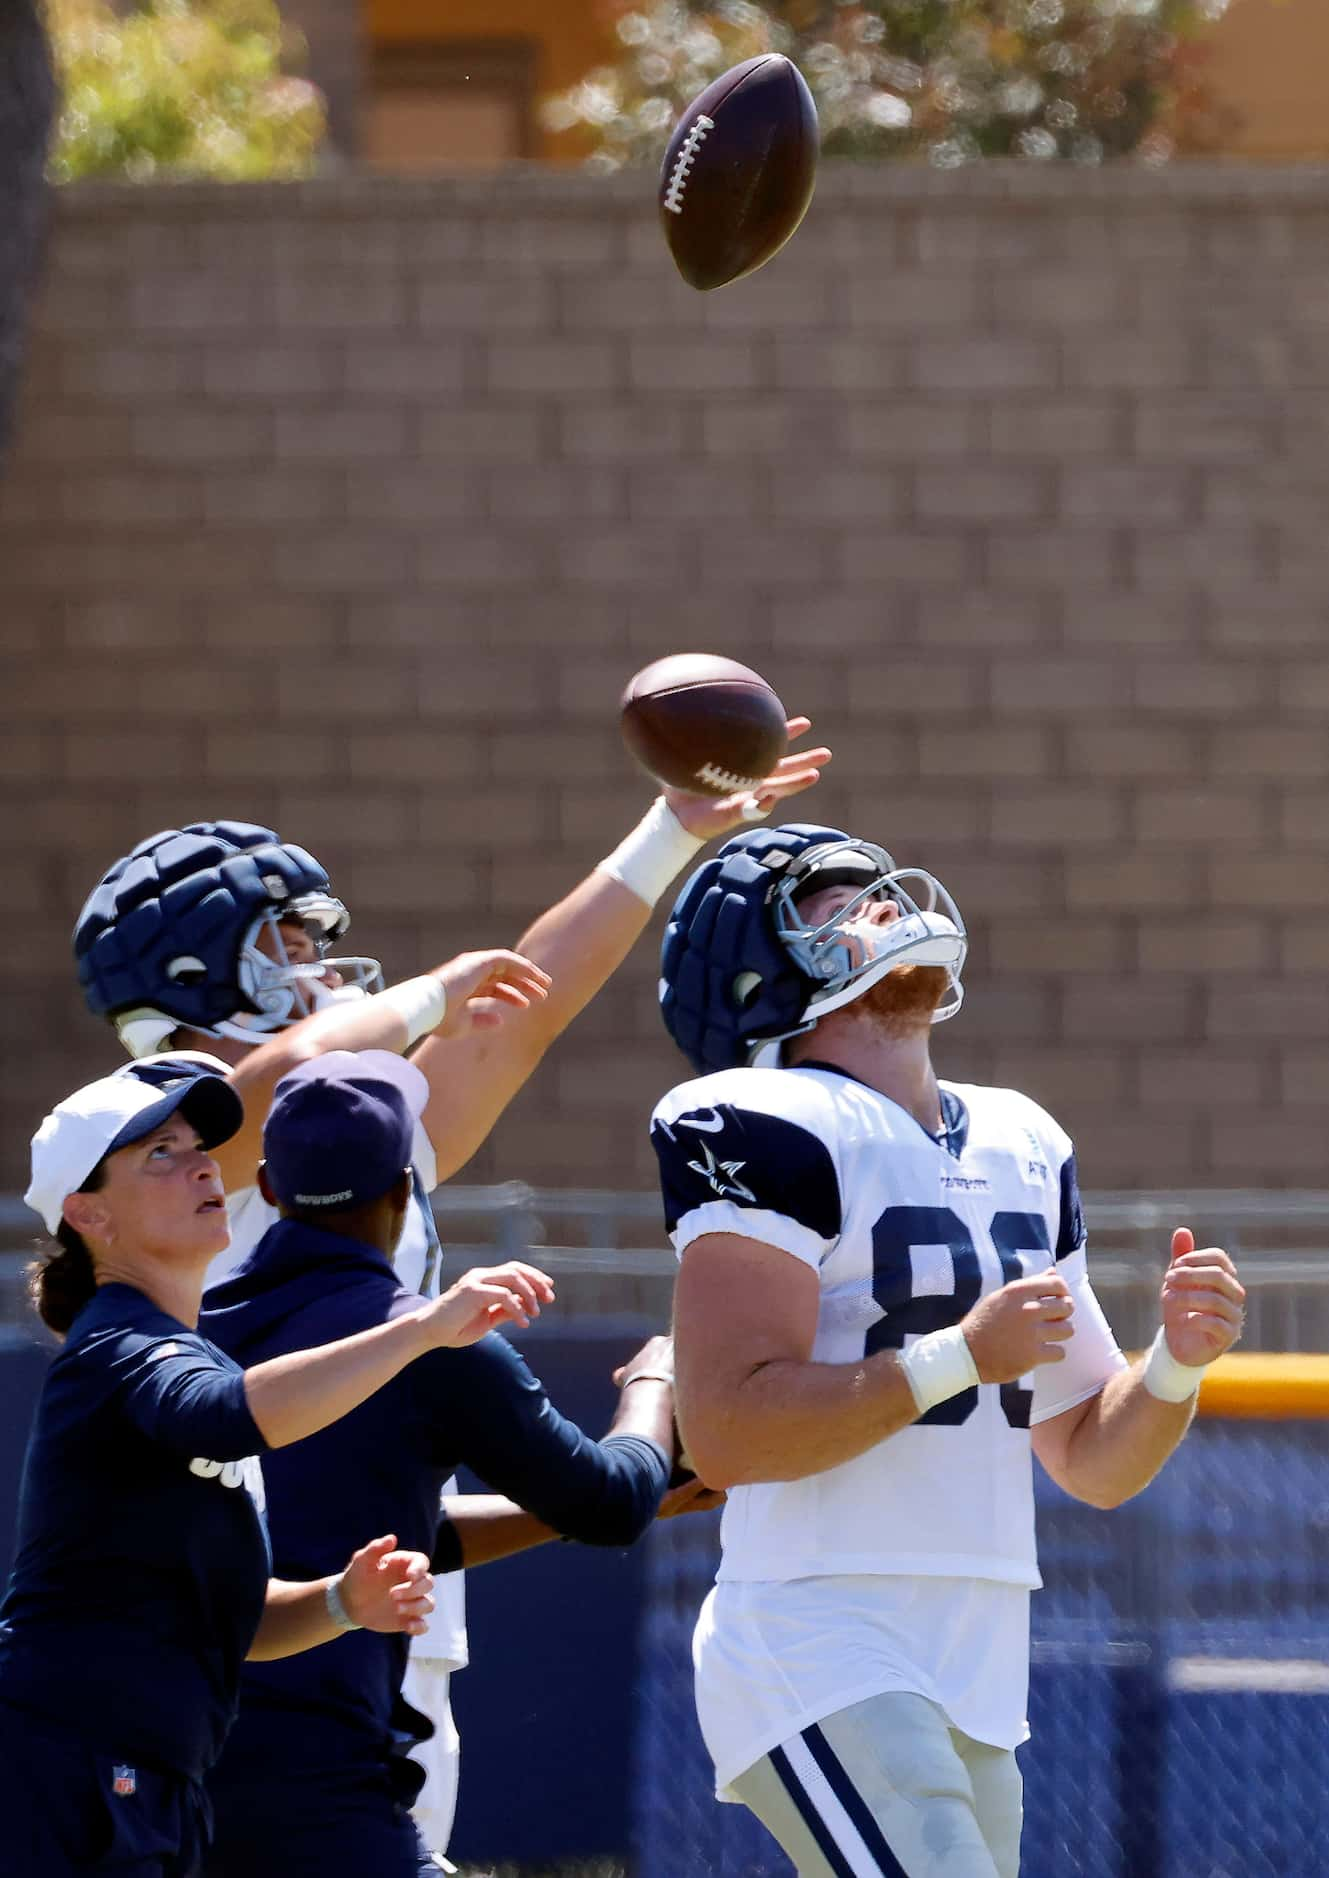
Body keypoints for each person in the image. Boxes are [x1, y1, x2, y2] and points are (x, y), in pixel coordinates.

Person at [71, 725, 828, 1856]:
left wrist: (671, 831)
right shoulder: (160, 1139)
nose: (323, 966)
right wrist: (427, 994)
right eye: (286, 942)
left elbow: (525, 1008)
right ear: (192, 979)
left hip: (360, 1613)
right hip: (231, 1627)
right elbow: (266, 1082)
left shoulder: (337, 1141)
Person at [648, 821, 1247, 1878]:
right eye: (837, 900)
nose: (886, 904)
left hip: (976, 1645)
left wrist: (1177, 1365)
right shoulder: (758, 1119)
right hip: (816, 1630)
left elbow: (1092, 1457)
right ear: (758, 970)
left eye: (881, 886)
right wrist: (960, 1357)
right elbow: (731, 1432)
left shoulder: (1021, 1139)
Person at [0, 1057, 554, 1878]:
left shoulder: (176, 1348)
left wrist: (339, 1601)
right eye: (158, 1153)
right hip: (64, 1777)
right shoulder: (119, 1342)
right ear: (87, 1214)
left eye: (198, 1147)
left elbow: (236, 1622)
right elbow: (228, 1417)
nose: (199, 1164)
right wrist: (425, 1327)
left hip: (147, 1785)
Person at [193, 1049, 679, 1876]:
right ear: (402, 1193)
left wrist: (590, 1504)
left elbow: (365, 1526)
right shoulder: (434, 1341)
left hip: (177, 1771)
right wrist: (654, 1386)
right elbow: (609, 1503)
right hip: (323, 1788)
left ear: (267, 1187)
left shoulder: (189, 1332)